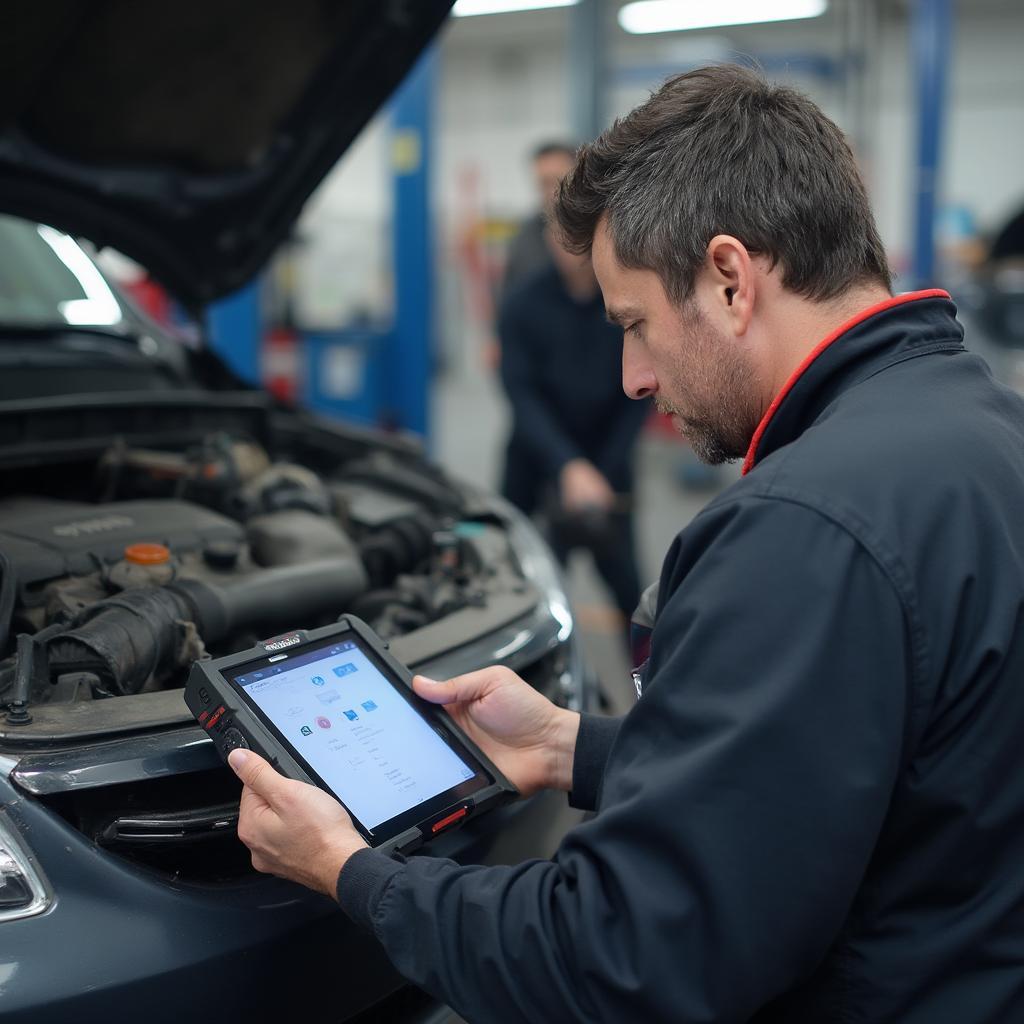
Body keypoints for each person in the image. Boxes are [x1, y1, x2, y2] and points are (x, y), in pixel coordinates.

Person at [228, 65, 1024, 1023]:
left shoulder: (801, 531)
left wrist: (351, 873)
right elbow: (860, 765)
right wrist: (576, 746)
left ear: (730, 279)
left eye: (636, 324)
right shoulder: (980, 428)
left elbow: (627, 955)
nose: (633, 377)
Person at [499, 228, 649, 629]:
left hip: (608, 470)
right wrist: (567, 465)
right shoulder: (521, 304)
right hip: (536, 467)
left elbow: (638, 397)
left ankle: (648, 686)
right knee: (527, 594)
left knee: (630, 596)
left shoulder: (627, 302)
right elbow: (521, 395)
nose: (568, 241)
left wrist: (598, 472)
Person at [501, 141, 577, 296]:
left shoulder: (601, 233)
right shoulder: (524, 241)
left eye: (558, 181)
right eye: (544, 183)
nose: (552, 192)